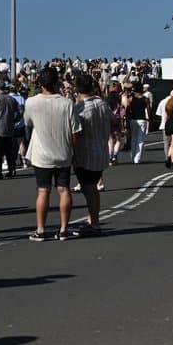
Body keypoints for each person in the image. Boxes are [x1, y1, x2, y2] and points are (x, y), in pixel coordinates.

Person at [24, 68, 78, 241]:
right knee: (64, 189)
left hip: (41, 153)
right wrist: (74, 151)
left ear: (40, 83)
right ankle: (63, 229)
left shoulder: (31, 102)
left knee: (43, 191)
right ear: (57, 82)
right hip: (63, 151)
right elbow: (74, 130)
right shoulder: (67, 103)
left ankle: (41, 229)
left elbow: (28, 122)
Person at [71, 72, 110, 236]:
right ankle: (92, 220)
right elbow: (112, 120)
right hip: (101, 149)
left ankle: (94, 223)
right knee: (91, 188)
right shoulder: (103, 104)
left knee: (89, 189)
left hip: (86, 153)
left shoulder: (79, 109)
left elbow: (76, 134)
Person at [0, 80, 20, 178]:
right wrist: (14, 121)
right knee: (9, 151)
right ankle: (12, 169)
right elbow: (19, 113)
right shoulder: (12, 99)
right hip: (9, 128)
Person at [128, 84, 151, 164]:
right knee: (140, 140)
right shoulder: (145, 99)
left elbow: (128, 110)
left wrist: (127, 120)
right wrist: (150, 119)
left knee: (133, 139)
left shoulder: (130, 99)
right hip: (142, 119)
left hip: (133, 119)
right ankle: (137, 158)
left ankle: (132, 156)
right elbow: (149, 110)